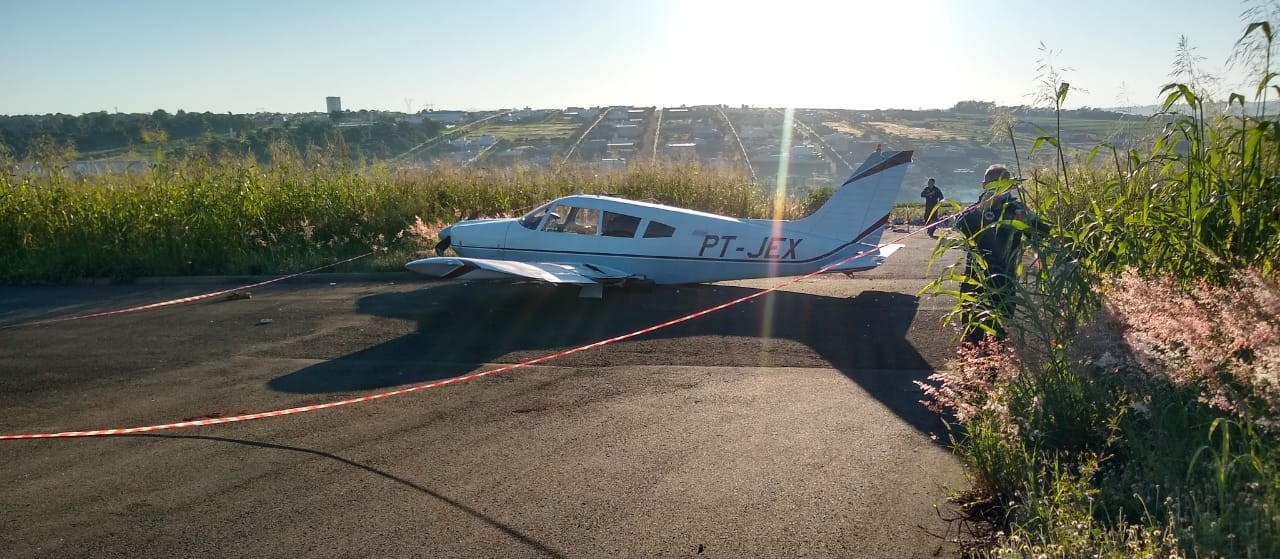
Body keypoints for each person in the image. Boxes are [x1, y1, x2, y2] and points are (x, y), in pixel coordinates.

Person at [954, 164, 1048, 343]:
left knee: (1000, 335)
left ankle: (998, 367)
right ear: (984, 186)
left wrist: (1029, 220)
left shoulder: (1016, 210)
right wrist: (982, 209)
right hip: (975, 279)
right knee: (972, 334)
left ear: (1009, 186)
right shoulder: (975, 209)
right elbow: (959, 227)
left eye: (1002, 185)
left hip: (1005, 280)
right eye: (992, 185)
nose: (997, 189)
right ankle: (971, 367)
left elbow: (1042, 231)